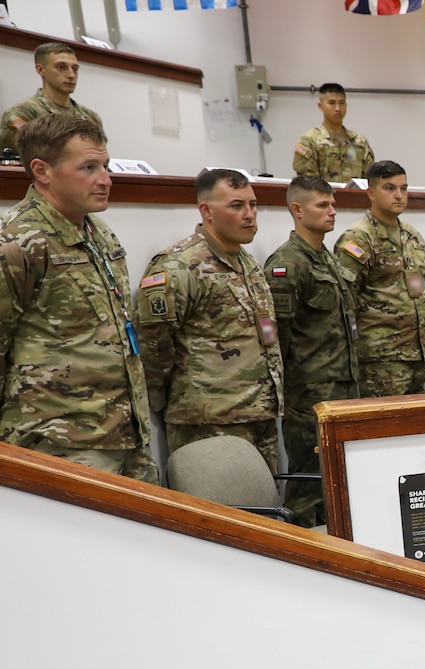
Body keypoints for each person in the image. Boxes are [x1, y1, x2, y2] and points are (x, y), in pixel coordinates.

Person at [0, 115, 154, 481]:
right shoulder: (15, 243)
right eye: (88, 167)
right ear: (42, 170)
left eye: (105, 165)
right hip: (57, 443)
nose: (106, 179)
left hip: (127, 433)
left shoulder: (99, 232)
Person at [136, 169, 284, 473]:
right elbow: (152, 344)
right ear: (206, 210)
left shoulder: (247, 262)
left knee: (264, 514)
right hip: (208, 421)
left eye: (253, 205)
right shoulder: (179, 266)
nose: (250, 215)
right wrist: (170, 400)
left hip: (259, 414)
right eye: (236, 206)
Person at [265, 176, 359, 526]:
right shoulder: (287, 264)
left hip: (344, 386)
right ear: (297, 209)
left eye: (333, 204)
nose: (332, 211)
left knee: (339, 482)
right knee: (308, 482)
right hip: (309, 394)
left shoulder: (328, 259)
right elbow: (279, 338)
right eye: (323, 205)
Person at [332, 160, 425, 397]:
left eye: (404, 188)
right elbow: (343, 302)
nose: (399, 195)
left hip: (421, 353)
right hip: (381, 359)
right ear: (371, 193)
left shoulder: (413, 236)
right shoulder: (358, 238)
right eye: (390, 188)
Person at [0, 43, 104, 154]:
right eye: (62, 67)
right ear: (40, 70)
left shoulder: (90, 117)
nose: (71, 75)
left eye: (75, 69)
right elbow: (12, 164)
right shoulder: (23, 113)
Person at [291, 83, 374, 183]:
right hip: (322, 197)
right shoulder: (309, 140)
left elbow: (370, 178)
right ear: (320, 106)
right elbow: (308, 182)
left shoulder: (358, 141)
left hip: (354, 197)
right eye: (332, 103)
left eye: (342, 103)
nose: (338, 108)